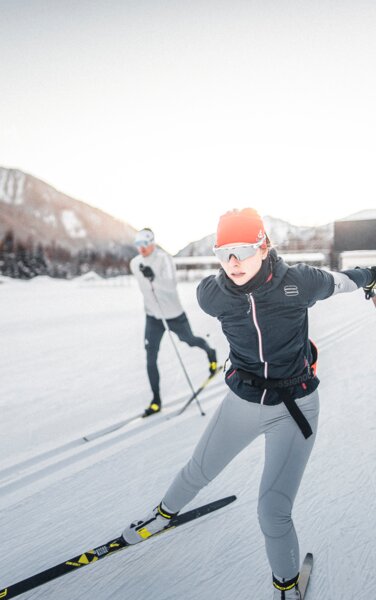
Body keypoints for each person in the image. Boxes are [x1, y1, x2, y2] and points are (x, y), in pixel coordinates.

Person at [124, 210, 376, 598]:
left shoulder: (299, 283)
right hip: (242, 401)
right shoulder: (212, 293)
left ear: (264, 246)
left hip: (294, 408)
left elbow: (343, 281)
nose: (233, 263)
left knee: (272, 511)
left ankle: (287, 587)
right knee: (197, 470)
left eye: (242, 250)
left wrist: (370, 276)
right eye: (223, 252)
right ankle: (160, 517)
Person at [130, 227, 217, 417]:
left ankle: (211, 352)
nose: (142, 248)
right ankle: (156, 401)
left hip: (174, 314)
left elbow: (170, 285)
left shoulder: (164, 259)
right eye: (138, 244)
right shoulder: (135, 263)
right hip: (153, 316)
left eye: (145, 244)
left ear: (152, 242)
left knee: (190, 341)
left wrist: (153, 277)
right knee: (150, 356)